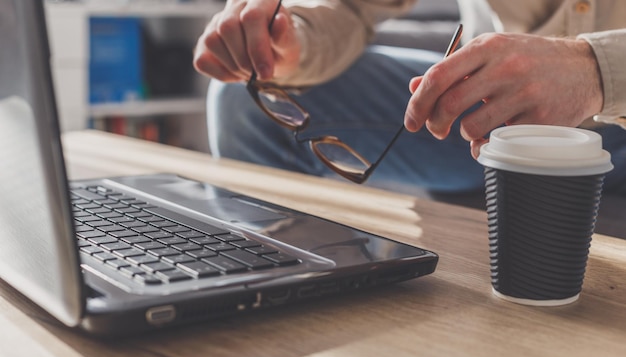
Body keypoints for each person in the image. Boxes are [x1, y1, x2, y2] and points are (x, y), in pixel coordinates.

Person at [193, 0, 626, 196]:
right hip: (488, 123)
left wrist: (595, 70)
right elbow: (351, 7)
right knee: (244, 103)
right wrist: (293, 38)